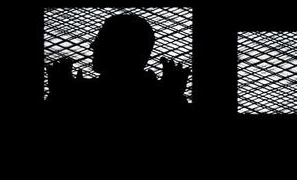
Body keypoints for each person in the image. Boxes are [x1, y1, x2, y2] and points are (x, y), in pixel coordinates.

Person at [46, 14, 190, 112]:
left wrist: (59, 95)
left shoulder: (79, 97)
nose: (92, 45)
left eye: (101, 40)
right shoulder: (162, 96)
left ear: (119, 49)